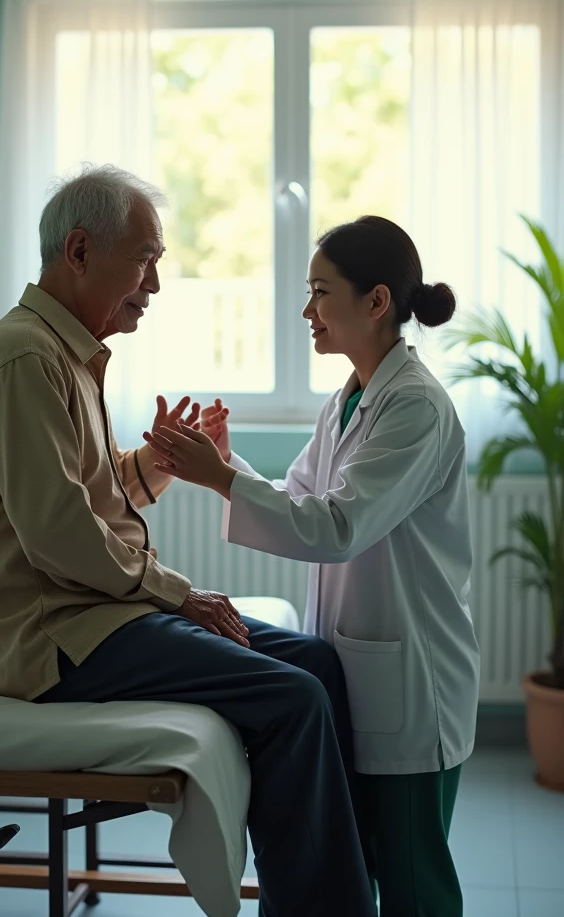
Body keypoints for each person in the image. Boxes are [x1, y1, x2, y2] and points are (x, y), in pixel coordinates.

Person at [0, 164, 376, 917]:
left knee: (316, 663)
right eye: (145, 259)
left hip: (93, 613)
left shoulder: (62, 355)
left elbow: (81, 496)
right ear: (80, 251)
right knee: (294, 698)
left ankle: (328, 891)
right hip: (54, 636)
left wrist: (155, 464)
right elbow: (59, 536)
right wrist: (183, 594)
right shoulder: (25, 359)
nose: (155, 283)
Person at [144, 215, 481, 917]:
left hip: (413, 681)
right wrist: (224, 462)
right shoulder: (350, 399)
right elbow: (303, 497)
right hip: (363, 667)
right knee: (364, 864)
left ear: (377, 301)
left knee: (415, 883)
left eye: (320, 293)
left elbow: (337, 528)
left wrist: (223, 479)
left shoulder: (414, 406)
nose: (307, 312)